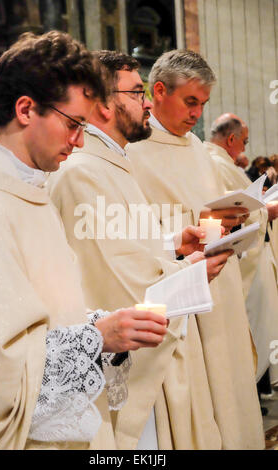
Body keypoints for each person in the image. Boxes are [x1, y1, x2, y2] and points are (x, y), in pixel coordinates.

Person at [0, 32, 169, 451]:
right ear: (26, 109)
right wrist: (95, 337)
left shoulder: (35, 193)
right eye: (73, 124)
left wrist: (100, 323)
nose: (80, 141)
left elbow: (45, 316)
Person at [47, 51, 233, 450]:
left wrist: (174, 247)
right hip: (124, 361)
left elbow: (124, 248)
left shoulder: (111, 163)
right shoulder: (82, 172)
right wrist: (188, 272)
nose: (147, 102)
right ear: (100, 102)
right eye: (136, 92)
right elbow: (114, 279)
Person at [127, 50, 264, 449]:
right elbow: (135, 234)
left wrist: (230, 218)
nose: (197, 114)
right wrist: (193, 224)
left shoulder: (196, 148)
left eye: (203, 105)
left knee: (229, 386)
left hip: (220, 289)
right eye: (190, 102)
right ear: (157, 91)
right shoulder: (133, 150)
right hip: (182, 290)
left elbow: (205, 207)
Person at [204, 113, 278, 388]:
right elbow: (231, 212)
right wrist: (265, 211)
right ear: (232, 139)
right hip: (235, 258)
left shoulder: (219, 163)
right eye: (244, 142)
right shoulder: (217, 164)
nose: (245, 149)